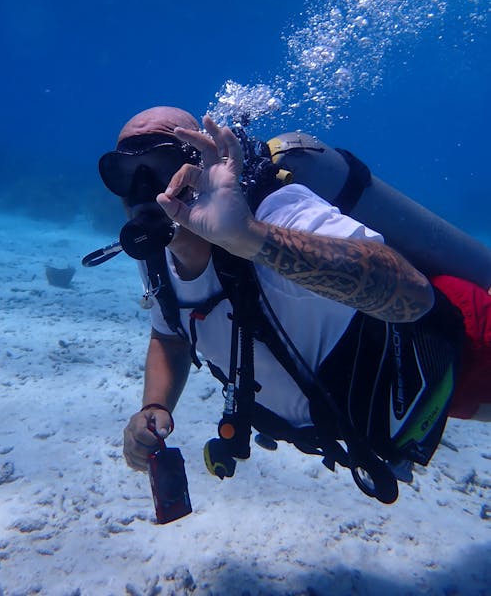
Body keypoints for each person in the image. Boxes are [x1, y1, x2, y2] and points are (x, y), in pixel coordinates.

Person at [96, 106, 491, 494]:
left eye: (161, 163)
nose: (142, 189)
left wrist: (249, 237)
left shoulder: (275, 211)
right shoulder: (157, 258)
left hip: (462, 351)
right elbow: (170, 336)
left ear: (201, 161)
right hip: (384, 406)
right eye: (123, 173)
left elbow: (412, 294)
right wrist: (155, 406)